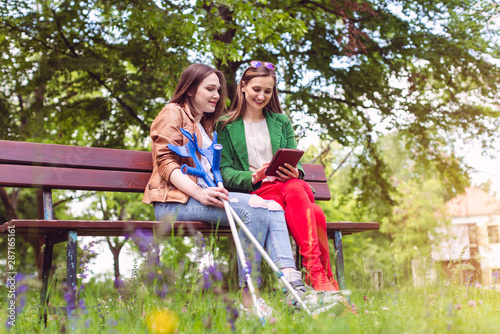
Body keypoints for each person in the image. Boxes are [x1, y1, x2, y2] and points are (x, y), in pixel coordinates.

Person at [142, 63, 341, 318]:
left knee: (272, 206)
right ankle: (249, 299)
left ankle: (294, 289)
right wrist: (200, 193)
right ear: (191, 90)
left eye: (218, 90)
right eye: (210, 89)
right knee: (256, 207)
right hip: (175, 201)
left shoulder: (205, 124)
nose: (216, 95)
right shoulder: (173, 112)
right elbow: (166, 163)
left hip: (204, 196)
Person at [217, 61, 340, 292]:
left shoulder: (281, 122)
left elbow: (296, 161)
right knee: (315, 213)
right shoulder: (225, 125)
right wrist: (254, 176)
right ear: (243, 86)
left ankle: (317, 277)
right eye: (256, 89)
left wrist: (296, 171)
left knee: (294, 186)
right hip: (258, 194)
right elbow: (224, 172)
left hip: (287, 189)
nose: (261, 96)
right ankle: (322, 279)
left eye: (267, 90)